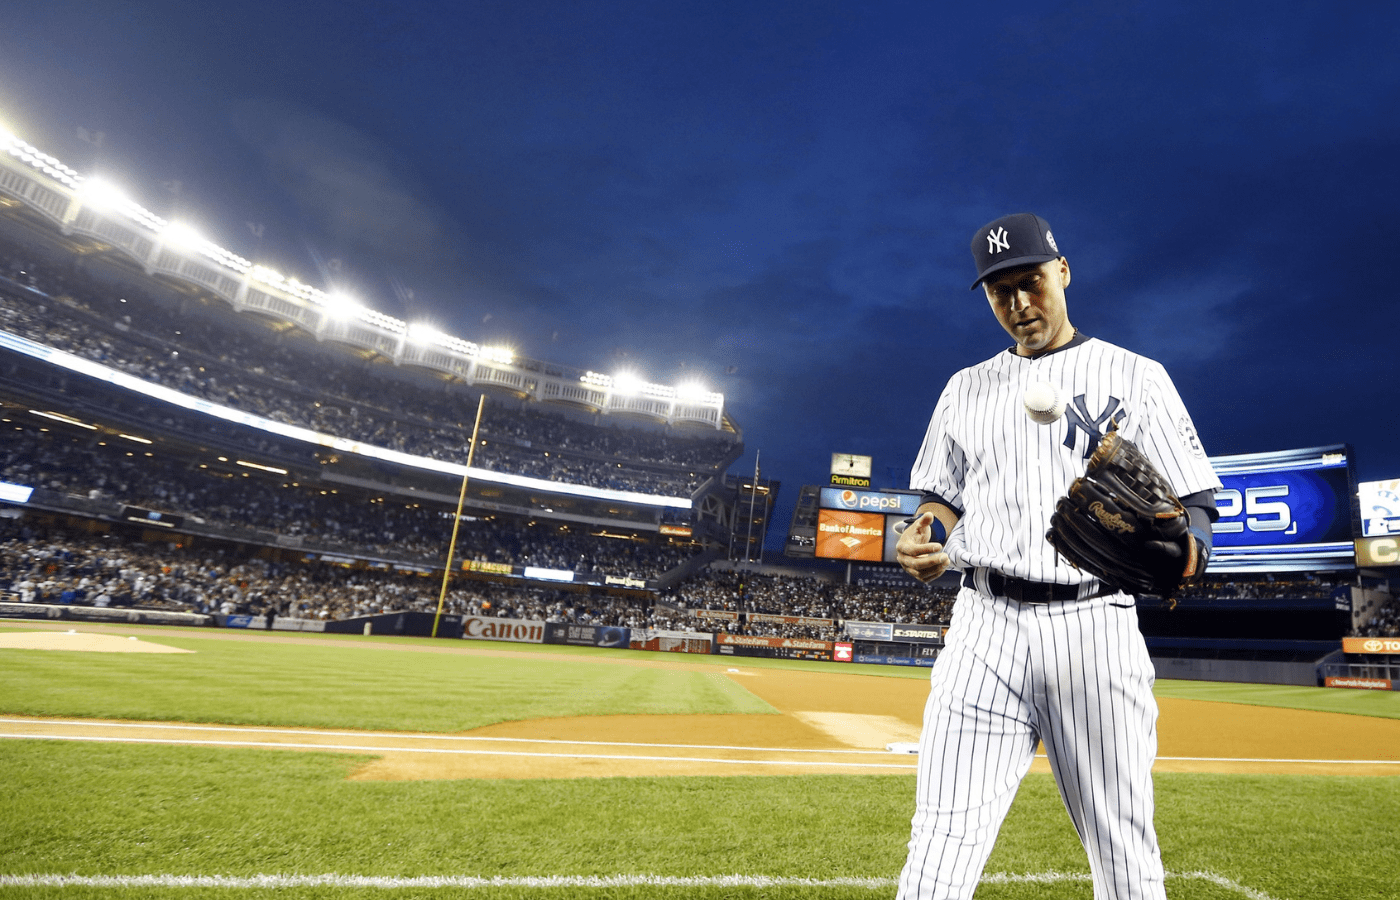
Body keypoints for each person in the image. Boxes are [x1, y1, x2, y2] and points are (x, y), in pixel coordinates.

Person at [894, 213, 1221, 900]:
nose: (1018, 304)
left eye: (1031, 282)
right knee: (940, 840)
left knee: (1122, 845)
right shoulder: (964, 388)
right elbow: (940, 498)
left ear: (1063, 272)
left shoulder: (1136, 376)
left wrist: (1191, 550)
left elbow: (1195, 503)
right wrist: (925, 533)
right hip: (982, 626)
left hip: (1093, 626)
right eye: (999, 291)